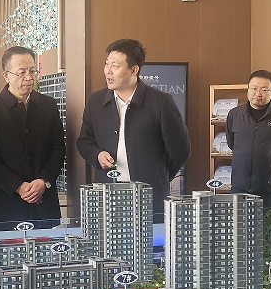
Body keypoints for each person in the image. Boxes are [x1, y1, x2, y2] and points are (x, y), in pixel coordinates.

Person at [77, 38, 190, 220]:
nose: (108, 71)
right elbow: (84, 141)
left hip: (149, 195)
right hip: (108, 194)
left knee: (151, 238)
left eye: (115, 66)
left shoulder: (161, 102)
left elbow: (180, 149)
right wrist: (97, 155)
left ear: (134, 70)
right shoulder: (95, 101)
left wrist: (158, 175)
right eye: (106, 64)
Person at [0, 46, 65, 227]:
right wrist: (18, 186)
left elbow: (58, 148)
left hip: (43, 202)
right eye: (21, 72)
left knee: (47, 244)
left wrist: (43, 181)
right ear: (6, 76)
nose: (29, 77)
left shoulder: (48, 105)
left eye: (32, 71)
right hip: (5, 202)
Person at [225, 70, 271, 209]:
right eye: (254, 88)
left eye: (264, 90)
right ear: (248, 89)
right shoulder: (235, 114)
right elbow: (231, 142)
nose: (258, 94)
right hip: (240, 186)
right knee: (240, 222)